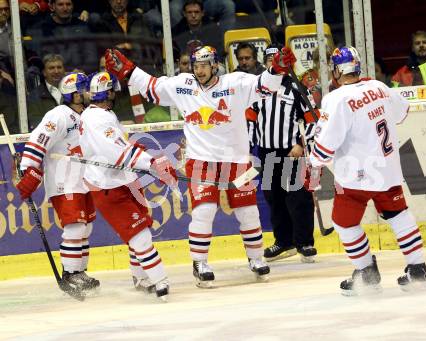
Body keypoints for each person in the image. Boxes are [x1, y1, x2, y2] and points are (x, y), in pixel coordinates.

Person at [104, 44, 296, 287]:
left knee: (248, 212)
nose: (200, 70)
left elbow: (264, 85)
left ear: (215, 64)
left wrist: (276, 69)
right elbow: (152, 87)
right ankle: (200, 263)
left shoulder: (235, 82)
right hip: (201, 161)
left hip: (236, 159)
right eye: (196, 65)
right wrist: (129, 70)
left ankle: (256, 259)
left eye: (204, 65)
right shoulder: (183, 84)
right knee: (203, 212)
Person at [309, 46, 426, 295]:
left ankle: (366, 272)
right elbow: (402, 112)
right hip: (387, 170)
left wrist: (314, 162)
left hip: (356, 177)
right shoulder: (379, 86)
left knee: (344, 222)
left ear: (335, 70)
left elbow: (324, 147)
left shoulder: (336, 98)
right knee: (399, 215)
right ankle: (418, 267)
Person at [78, 71, 177, 299]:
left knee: (141, 231)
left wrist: (150, 164)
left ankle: (141, 278)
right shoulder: (96, 118)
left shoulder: (103, 114)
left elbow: (120, 148)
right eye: (113, 88)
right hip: (108, 186)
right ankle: (159, 280)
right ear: (108, 91)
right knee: (139, 235)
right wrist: (152, 162)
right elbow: (115, 151)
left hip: (123, 180)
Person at [16, 72, 100, 293]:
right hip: (64, 180)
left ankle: (80, 272)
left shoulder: (89, 115)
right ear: (74, 94)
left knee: (86, 227)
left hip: (84, 179)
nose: (88, 93)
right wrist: (28, 169)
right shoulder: (59, 115)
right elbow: (38, 140)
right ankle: (70, 274)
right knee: (75, 226)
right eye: (84, 89)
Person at [247, 44, 317, 263]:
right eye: (269, 60)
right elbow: (249, 119)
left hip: (291, 152)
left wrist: (301, 144)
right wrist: (248, 150)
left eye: (276, 60)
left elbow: (312, 120)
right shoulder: (257, 89)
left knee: (297, 198)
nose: (272, 64)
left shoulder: (298, 88)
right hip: (267, 152)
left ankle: (304, 242)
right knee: (273, 198)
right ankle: (283, 241)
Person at [28, 53, 66, 130]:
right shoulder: (35, 96)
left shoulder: (74, 91)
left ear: (64, 70)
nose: (56, 71)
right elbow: (35, 122)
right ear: (44, 72)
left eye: (59, 67)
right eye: (51, 68)